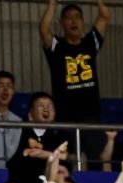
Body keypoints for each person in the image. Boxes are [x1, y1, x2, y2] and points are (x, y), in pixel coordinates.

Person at [38, 0, 110, 168]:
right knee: (74, 159)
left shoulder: (89, 43)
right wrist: (53, 4)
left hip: (91, 114)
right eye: (68, 18)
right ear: (62, 23)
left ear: (83, 22)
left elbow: (105, 15)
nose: (73, 21)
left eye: (77, 17)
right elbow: (43, 30)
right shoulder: (58, 46)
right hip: (66, 115)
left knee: (96, 157)